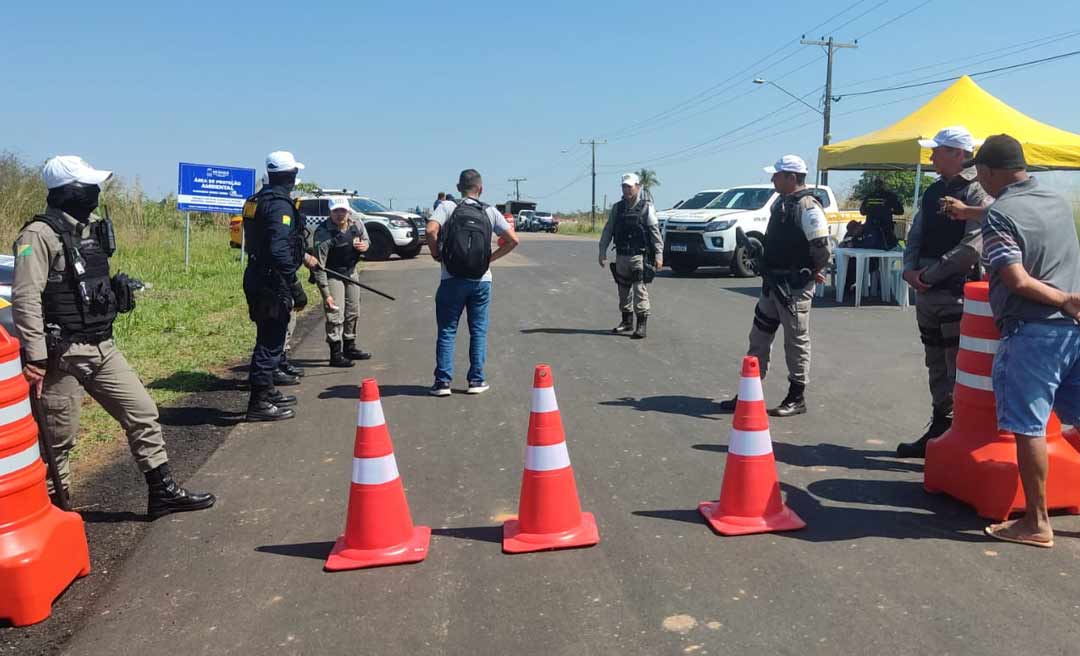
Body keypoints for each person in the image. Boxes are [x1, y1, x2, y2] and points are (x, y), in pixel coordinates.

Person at [12, 156, 215, 517]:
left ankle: (162, 491)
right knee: (58, 440)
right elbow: (26, 296)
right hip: (62, 356)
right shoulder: (37, 236)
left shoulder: (91, 228)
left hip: (102, 346)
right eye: (87, 186)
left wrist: (113, 293)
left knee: (143, 413)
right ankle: (57, 514)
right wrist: (37, 357)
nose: (95, 192)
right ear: (67, 191)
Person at [968, 134, 1080, 548]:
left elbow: (1015, 279)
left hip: (1033, 331)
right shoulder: (1055, 202)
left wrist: (1063, 300)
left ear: (988, 171)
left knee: (1028, 426)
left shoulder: (1000, 215)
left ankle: (1036, 521)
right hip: (1074, 333)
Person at [896, 127, 991, 458]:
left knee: (957, 368)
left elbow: (972, 247)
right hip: (928, 289)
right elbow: (916, 233)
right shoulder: (934, 190)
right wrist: (909, 270)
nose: (932, 156)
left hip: (955, 292)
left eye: (938, 151)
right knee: (934, 362)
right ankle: (939, 430)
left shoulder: (977, 192)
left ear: (958, 153)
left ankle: (956, 438)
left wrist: (929, 275)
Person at [718, 155, 832, 417]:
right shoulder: (781, 203)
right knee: (758, 337)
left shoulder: (808, 206)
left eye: (777, 175)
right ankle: (749, 392)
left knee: (795, 342)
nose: (772, 179)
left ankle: (796, 396)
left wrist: (810, 272)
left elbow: (822, 249)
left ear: (792, 177)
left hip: (793, 287)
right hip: (773, 283)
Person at [426, 169, 519, 396]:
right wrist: (489, 259)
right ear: (481, 188)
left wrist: (437, 254)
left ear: (458, 187)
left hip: (451, 278)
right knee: (478, 331)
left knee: (447, 331)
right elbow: (513, 240)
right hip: (481, 280)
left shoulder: (448, 206)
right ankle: (476, 381)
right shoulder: (489, 211)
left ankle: (442, 383)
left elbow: (430, 230)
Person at [242, 151, 317, 422]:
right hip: (272, 281)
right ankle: (259, 402)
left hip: (258, 275)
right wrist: (294, 285)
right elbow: (278, 249)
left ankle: (269, 390)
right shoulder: (279, 205)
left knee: (269, 336)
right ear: (291, 175)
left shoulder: (255, 200)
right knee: (270, 342)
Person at [598, 172, 664, 339]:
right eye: (624, 186)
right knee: (623, 290)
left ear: (637, 187)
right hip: (621, 255)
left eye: (629, 186)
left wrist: (659, 254)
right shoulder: (617, 208)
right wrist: (602, 250)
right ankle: (627, 321)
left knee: (639, 290)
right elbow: (608, 230)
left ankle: (641, 325)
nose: (626, 189)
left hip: (638, 256)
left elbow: (655, 233)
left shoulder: (646, 207)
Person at [313, 196, 371, 367]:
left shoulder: (356, 223)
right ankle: (335, 354)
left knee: (353, 310)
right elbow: (319, 266)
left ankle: (350, 346)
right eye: (336, 211)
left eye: (343, 211)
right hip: (332, 274)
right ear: (330, 212)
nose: (340, 215)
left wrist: (365, 246)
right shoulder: (323, 233)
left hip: (351, 272)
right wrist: (326, 294)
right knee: (335, 313)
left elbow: (367, 240)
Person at [854, 177, 904, 250]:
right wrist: (889, 211)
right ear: (884, 185)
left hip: (871, 230)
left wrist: (871, 211)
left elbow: (862, 212)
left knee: (870, 250)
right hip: (886, 231)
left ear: (874, 185)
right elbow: (900, 211)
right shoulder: (890, 196)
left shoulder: (869, 197)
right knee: (888, 252)